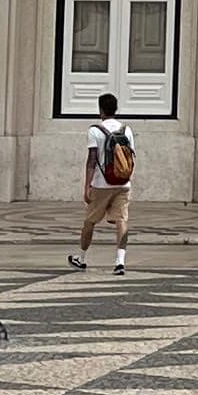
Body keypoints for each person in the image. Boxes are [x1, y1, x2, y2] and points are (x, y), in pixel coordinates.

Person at [70, 88, 135, 273]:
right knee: (122, 220)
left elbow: (91, 160)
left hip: (101, 184)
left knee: (90, 221)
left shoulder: (95, 131)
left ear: (101, 110)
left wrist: (86, 186)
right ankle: (120, 261)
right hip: (123, 183)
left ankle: (81, 258)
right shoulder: (127, 130)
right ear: (116, 109)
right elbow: (131, 157)